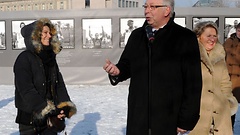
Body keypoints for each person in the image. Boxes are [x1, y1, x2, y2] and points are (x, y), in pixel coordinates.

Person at [103, 0, 202, 134]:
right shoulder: (137, 36)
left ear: (167, 10)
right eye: (146, 6)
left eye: (153, 7)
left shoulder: (185, 38)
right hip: (138, 118)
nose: (146, 11)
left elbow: (193, 83)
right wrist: (117, 71)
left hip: (168, 119)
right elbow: (127, 64)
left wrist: (186, 119)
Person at [13, 18, 77, 135]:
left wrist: (64, 106)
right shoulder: (24, 58)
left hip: (50, 120)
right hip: (30, 121)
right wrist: (47, 109)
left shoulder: (50, 58)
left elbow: (59, 85)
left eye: (50, 33)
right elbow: (26, 90)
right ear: (36, 36)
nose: (49, 36)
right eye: (45, 33)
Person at [189, 21, 238, 135]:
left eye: (215, 36)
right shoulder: (190, 56)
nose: (212, 39)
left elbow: (225, 84)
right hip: (197, 116)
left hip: (220, 115)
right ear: (198, 36)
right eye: (208, 35)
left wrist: (228, 101)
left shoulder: (220, 56)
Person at [223, 22, 240, 129]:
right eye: (239, 31)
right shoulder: (229, 42)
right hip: (231, 80)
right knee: (230, 107)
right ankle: (229, 129)